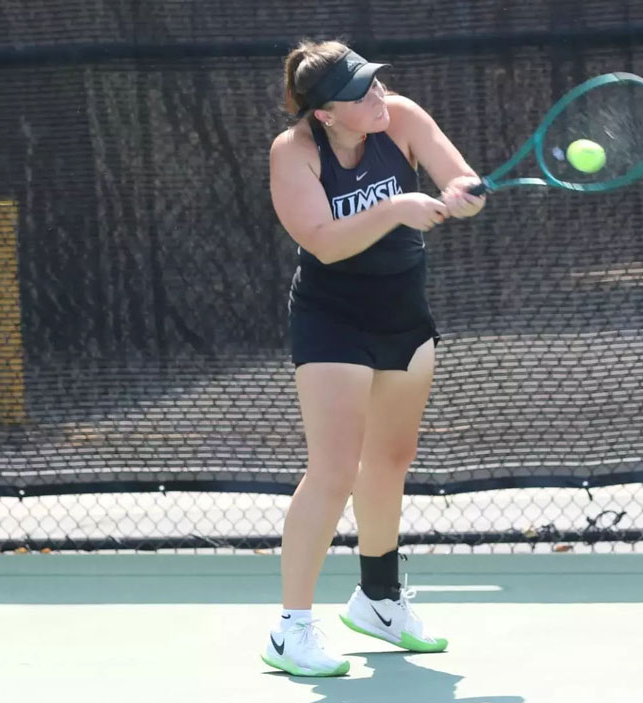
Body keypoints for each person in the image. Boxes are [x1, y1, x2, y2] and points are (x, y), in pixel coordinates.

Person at [263, 39, 486, 677]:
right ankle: (291, 629)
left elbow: (455, 174)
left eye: (377, 83)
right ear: (325, 114)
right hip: (333, 321)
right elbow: (325, 243)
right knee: (333, 470)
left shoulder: (402, 119)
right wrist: (397, 208)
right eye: (361, 93)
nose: (378, 96)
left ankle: (379, 600)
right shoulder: (294, 154)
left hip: (404, 317)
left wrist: (464, 190)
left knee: (390, 459)